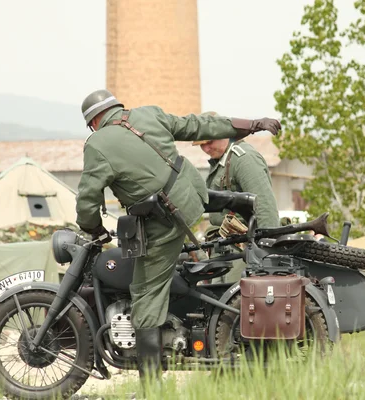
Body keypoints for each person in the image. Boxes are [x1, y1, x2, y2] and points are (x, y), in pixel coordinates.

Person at [75, 90, 280, 383]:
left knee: (144, 294)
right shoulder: (148, 113)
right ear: (118, 107)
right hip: (194, 194)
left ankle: (151, 386)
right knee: (180, 265)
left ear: (94, 122)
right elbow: (199, 125)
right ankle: (241, 203)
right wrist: (253, 124)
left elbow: (88, 197)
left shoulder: (97, 144)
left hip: (166, 219)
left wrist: (92, 227)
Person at [193, 111, 280, 282]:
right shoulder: (223, 160)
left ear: (223, 133)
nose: (206, 148)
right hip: (226, 248)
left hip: (244, 250)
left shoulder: (243, 159)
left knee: (237, 304)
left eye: (209, 142)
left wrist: (266, 255)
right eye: (201, 145)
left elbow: (265, 208)